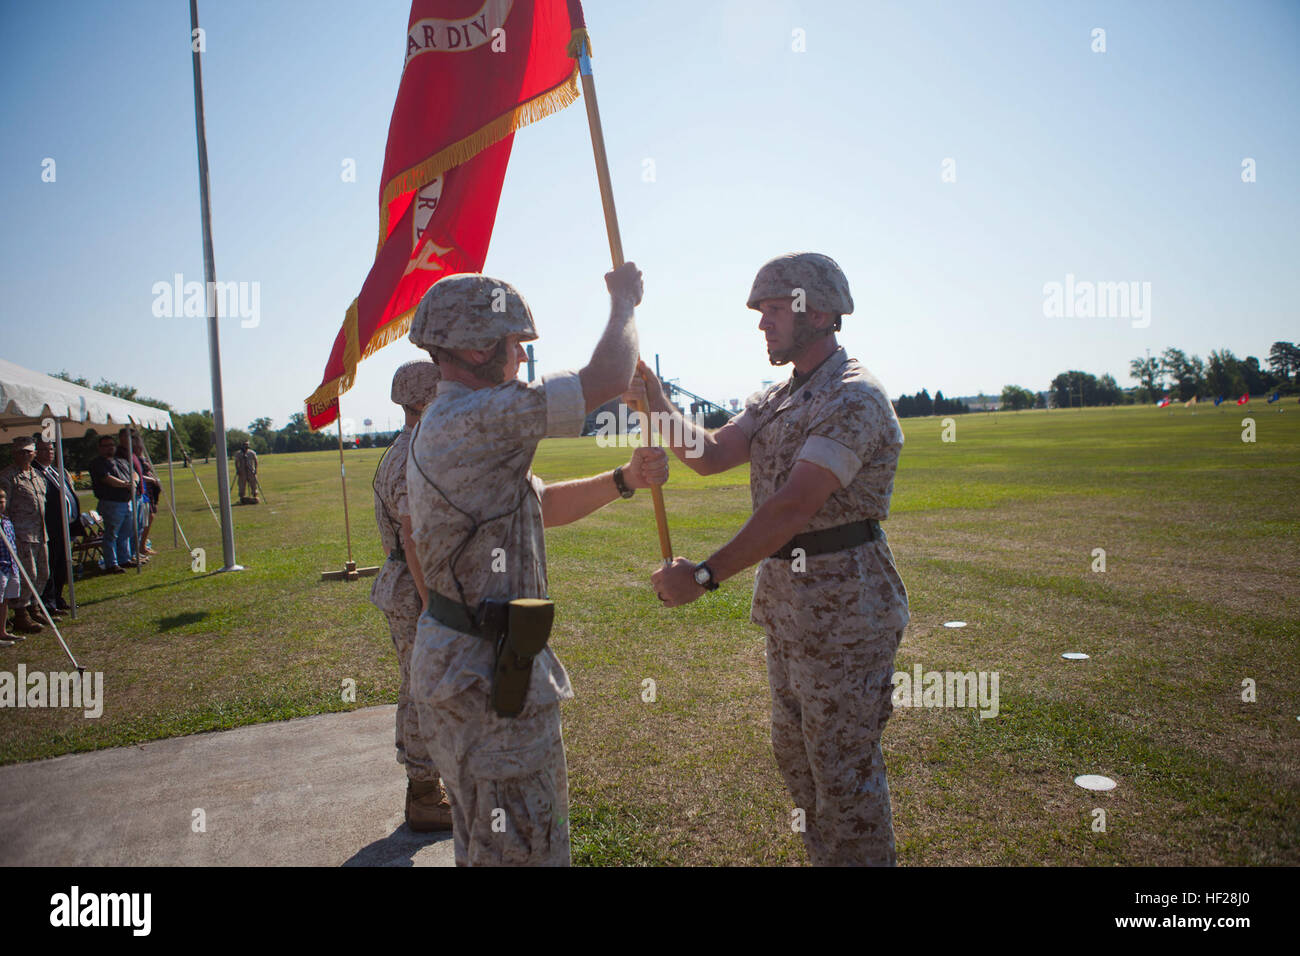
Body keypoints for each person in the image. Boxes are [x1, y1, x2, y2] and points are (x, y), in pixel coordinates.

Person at [640, 252, 909, 866]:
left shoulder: (853, 395)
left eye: (770, 311)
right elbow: (708, 454)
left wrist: (703, 576)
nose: (762, 324)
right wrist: (654, 400)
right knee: (799, 763)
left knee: (844, 771)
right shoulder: (777, 397)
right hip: (792, 607)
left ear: (814, 311)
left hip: (847, 610)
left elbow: (793, 507)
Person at [405, 264, 667, 866]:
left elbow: (536, 504)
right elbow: (605, 376)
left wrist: (622, 479)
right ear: (476, 347)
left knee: (488, 845)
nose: (522, 358)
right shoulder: (481, 415)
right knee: (525, 849)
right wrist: (624, 302)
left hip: (467, 668)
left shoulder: (453, 423)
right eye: (517, 345)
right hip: (489, 681)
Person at [370, 359, 450, 831]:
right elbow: (414, 535)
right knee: (425, 690)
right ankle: (424, 795)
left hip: (407, 583)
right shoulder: (411, 454)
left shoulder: (406, 446)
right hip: (416, 589)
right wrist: (434, 606)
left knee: (416, 687)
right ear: (423, 401)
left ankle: (424, 787)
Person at [0, 436, 50, 632]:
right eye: (21, 451)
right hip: (21, 534)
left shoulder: (37, 475)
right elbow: (3, 507)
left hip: (41, 531)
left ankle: (34, 608)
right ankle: (20, 614)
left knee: (43, 573)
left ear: (34, 453)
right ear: (14, 453)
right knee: (28, 574)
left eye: (28, 451)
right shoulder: (7, 476)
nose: (25, 455)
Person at [35, 438, 81, 612]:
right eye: (44, 450)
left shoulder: (56, 471)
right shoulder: (36, 473)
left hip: (65, 527)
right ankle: (49, 603)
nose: (50, 453)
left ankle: (58, 597)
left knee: (63, 564)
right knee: (51, 566)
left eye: (51, 449)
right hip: (51, 528)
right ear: (36, 452)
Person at [89, 433, 138, 574]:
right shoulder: (97, 463)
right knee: (111, 534)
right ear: (100, 448)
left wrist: (134, 481)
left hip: (126, 501)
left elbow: (133, 473)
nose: (109, 448)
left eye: (111, 445)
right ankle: (112, 563)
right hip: (111, 503)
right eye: (106, 446)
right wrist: (125, 484)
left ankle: (124, 558)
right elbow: (107, 478)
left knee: (126, 533)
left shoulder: (121, 461)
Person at [1, 487, 24, 646]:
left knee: (5, 600)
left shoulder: (6, 521)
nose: (1, 504)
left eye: (2, 500)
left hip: (10, 565)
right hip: (0, 566)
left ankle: (2, 631)